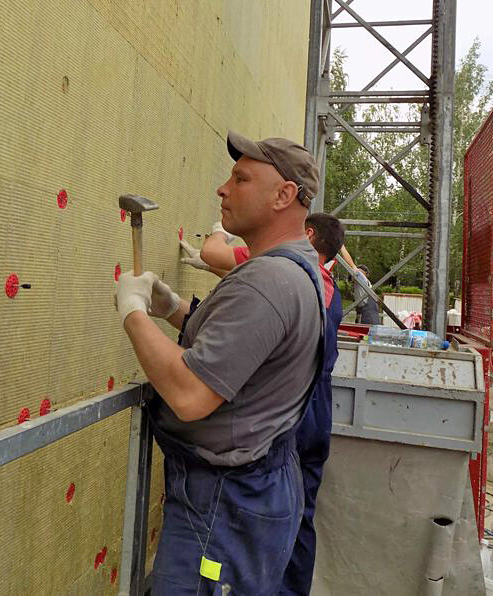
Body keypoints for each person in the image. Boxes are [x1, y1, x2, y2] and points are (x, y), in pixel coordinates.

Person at [115, 131, 325, 595]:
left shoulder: (267, 283)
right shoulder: (293, 268)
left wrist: (131, 313)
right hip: (252, 491)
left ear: (284, 195)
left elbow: (190, 395)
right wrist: (172, 309)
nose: (223, 189)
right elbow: (244, 351)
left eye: (241, 178)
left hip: (224, 508)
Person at [185, 213, 345, 595]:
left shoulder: (284, 268)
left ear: (307, 236)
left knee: (248, 505)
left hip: (290, 405)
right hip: (316, 403)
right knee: (299, 514)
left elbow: (214, 253)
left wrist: (218, 231)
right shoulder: (325, 285)